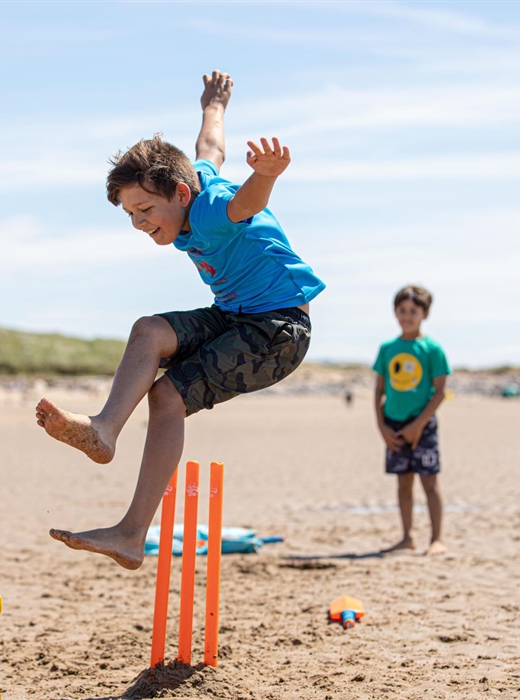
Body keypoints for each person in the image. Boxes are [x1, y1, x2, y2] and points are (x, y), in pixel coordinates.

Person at [34, 70, 325, 569]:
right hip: (235, 316)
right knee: (150, 333)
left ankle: (129, 528)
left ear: (180, 194)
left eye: (145, 208)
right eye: (130, 214)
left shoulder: (210, 206)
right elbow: (209, 146)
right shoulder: (196, 179)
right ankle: (105, 435)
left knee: (167, 391)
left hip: (276, 331)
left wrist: (269, 174)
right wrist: (214, 104)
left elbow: (246, 203)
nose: (139, 222)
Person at [373, 285, 451, 556]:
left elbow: (440, 392)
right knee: (403, 483)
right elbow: (379, 390)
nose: (407, 316)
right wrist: (382, 427)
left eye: (413, 311)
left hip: (423, 426)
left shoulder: (432, 350)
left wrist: (418, 425)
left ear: (425, 314)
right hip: (393, 426)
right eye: (402, 310)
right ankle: (407, 537)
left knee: (429, 482)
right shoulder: (387, 348)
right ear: (396, 312)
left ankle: (437, 539)